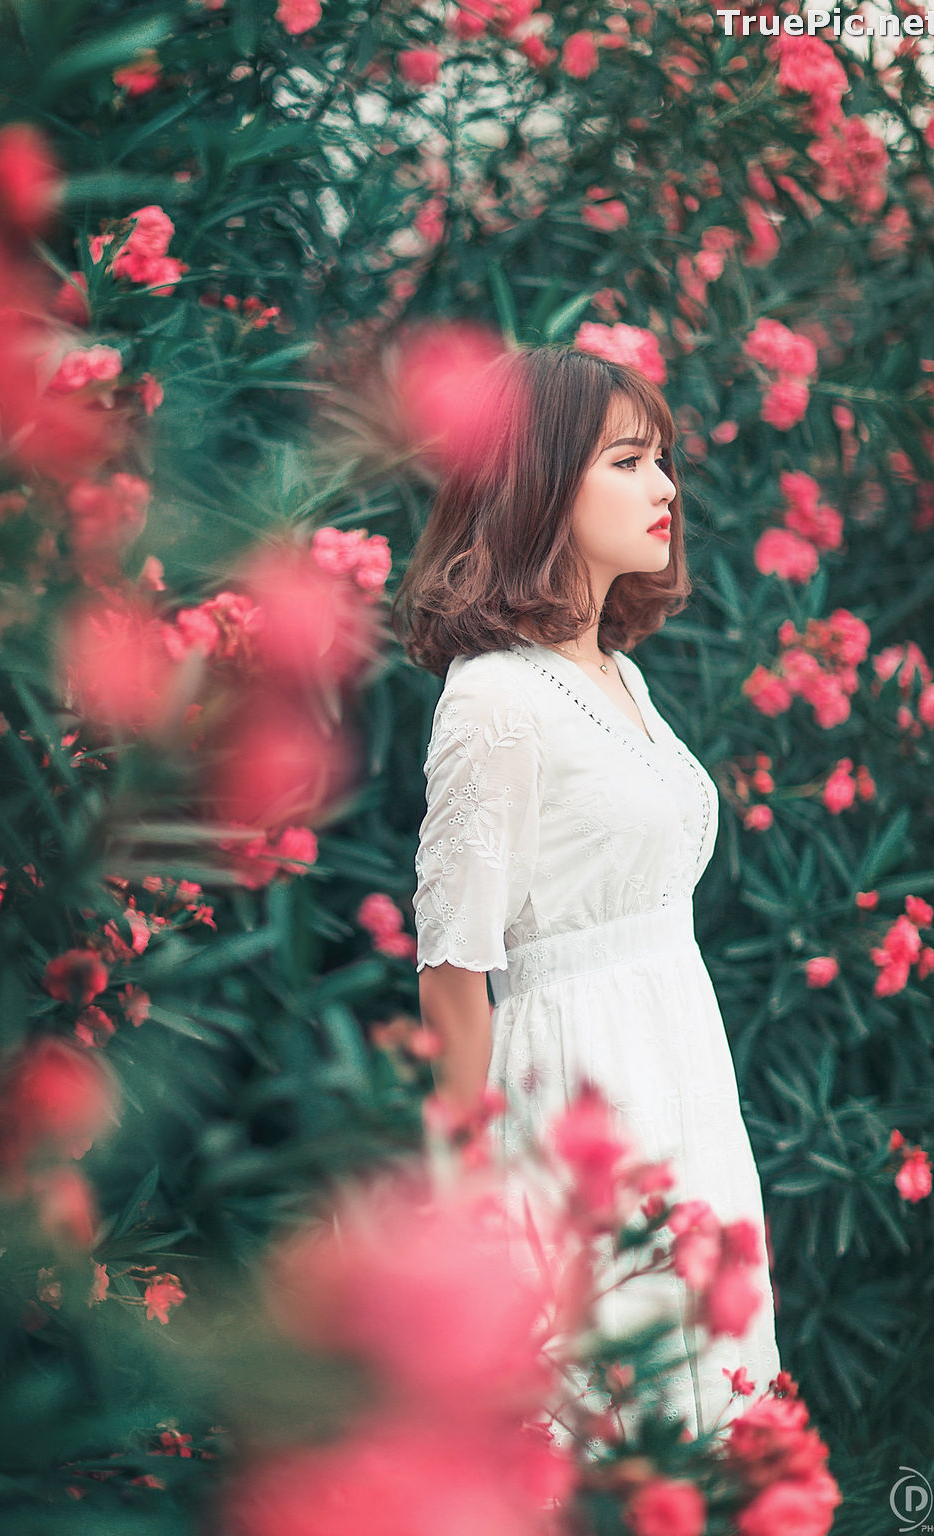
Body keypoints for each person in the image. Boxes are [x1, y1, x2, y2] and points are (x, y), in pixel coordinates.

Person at [390, 342, 782, 1440]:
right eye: (628, 460)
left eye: (662, 461)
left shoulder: (617, 672)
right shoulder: (494, 702)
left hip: (677, 1070)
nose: (665, 488)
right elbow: (453, 971)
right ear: (538, 481)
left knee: (706, 1399)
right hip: (577, 1092)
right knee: (609, 1429)